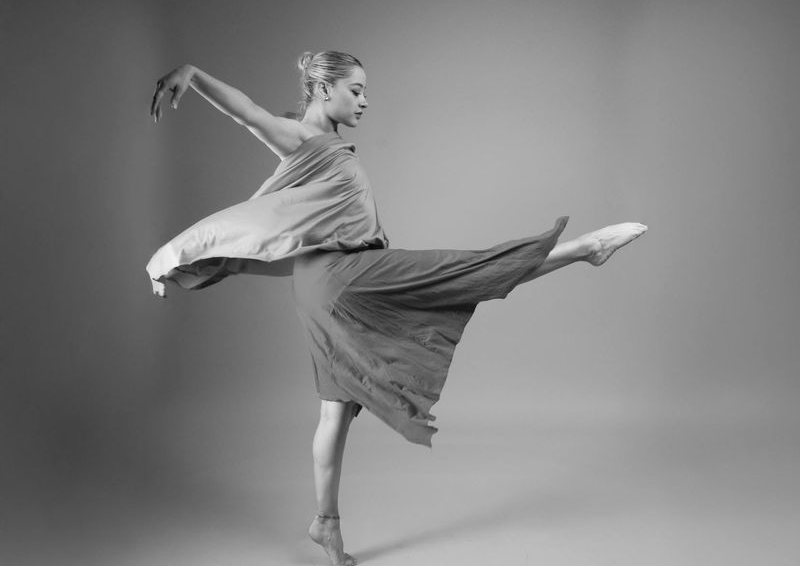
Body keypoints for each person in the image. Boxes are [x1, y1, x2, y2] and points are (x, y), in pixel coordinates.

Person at [148, 51, 647, 566]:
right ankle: (582, 250)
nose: (365, 100)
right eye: (356, 90)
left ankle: (327, 525)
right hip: (342, 280)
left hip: (322, 282)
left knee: (335, 410)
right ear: (324, 92)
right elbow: (247, 110)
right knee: (458, 274)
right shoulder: (301, 138)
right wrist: (193, 75)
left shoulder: (327, 149)